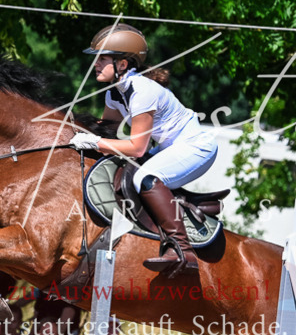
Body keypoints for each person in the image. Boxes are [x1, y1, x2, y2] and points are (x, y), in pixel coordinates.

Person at [70, 23, 217, 273]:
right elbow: (107, 129)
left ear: (123, 64)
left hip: (196, 147)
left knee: (145, 177)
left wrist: (95, 142)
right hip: (170, 148)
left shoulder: (143, 91)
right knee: (132, 173)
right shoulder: (114, 94)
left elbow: (138, 148)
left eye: (102, 58)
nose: (95, 64)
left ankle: (183, 251)